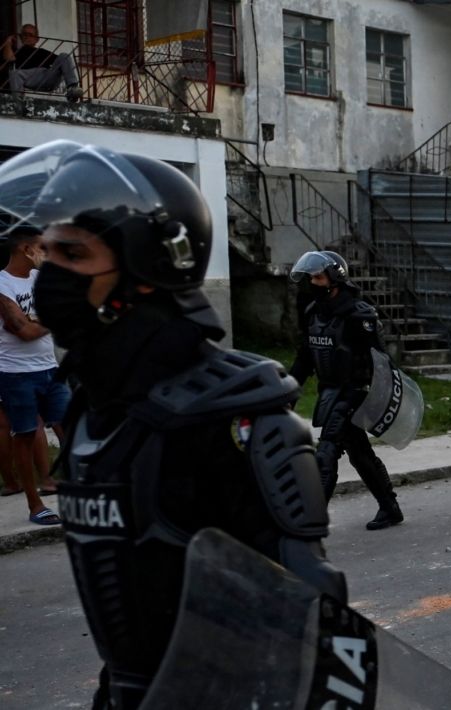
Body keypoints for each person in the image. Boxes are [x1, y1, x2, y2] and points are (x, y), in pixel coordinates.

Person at [0, 140, 346, 707]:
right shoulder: (96, 410)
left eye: (74, 256)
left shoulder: (234, 418)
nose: (50, 274)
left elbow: (310, 605)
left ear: (145, 270)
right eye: (50, 254)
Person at [290, 251, 404, 530]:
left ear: (334, 278)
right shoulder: (312, 313)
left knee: (326, 451)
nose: (312, 283)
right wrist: (289, 391)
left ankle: (310, 520)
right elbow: (305, 356)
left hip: (354, 391)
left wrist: (378, 399)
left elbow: (381, 360)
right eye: (310, 278)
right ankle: (390, 508)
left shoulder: (358, 314)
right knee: (359, 454)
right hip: (329, 392)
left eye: (317, 277)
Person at [0, 225, 70, 526]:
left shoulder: (40, 278)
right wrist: (50, 317)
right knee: (25, 435)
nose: (46, 252)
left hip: (49, 367)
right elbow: (24, 331)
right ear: (26, 249)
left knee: (69, 428)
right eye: (42, 247)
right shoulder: (2, 285)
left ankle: (80, 489)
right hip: (16, 373)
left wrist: (42, 318)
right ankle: (34, 504)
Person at [2, 24, 82, 102]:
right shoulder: (17, 51)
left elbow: (62, 62)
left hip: (46, 77)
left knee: (64, 56)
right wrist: (8, 43)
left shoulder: (41, 52)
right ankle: (19, 100)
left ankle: (72, 88)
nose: (27, 37)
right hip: (29, 78)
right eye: (24, 34)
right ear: (20, 37)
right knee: (14, 73)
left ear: (37, 39)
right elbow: (9, 59)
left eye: (30, 35)